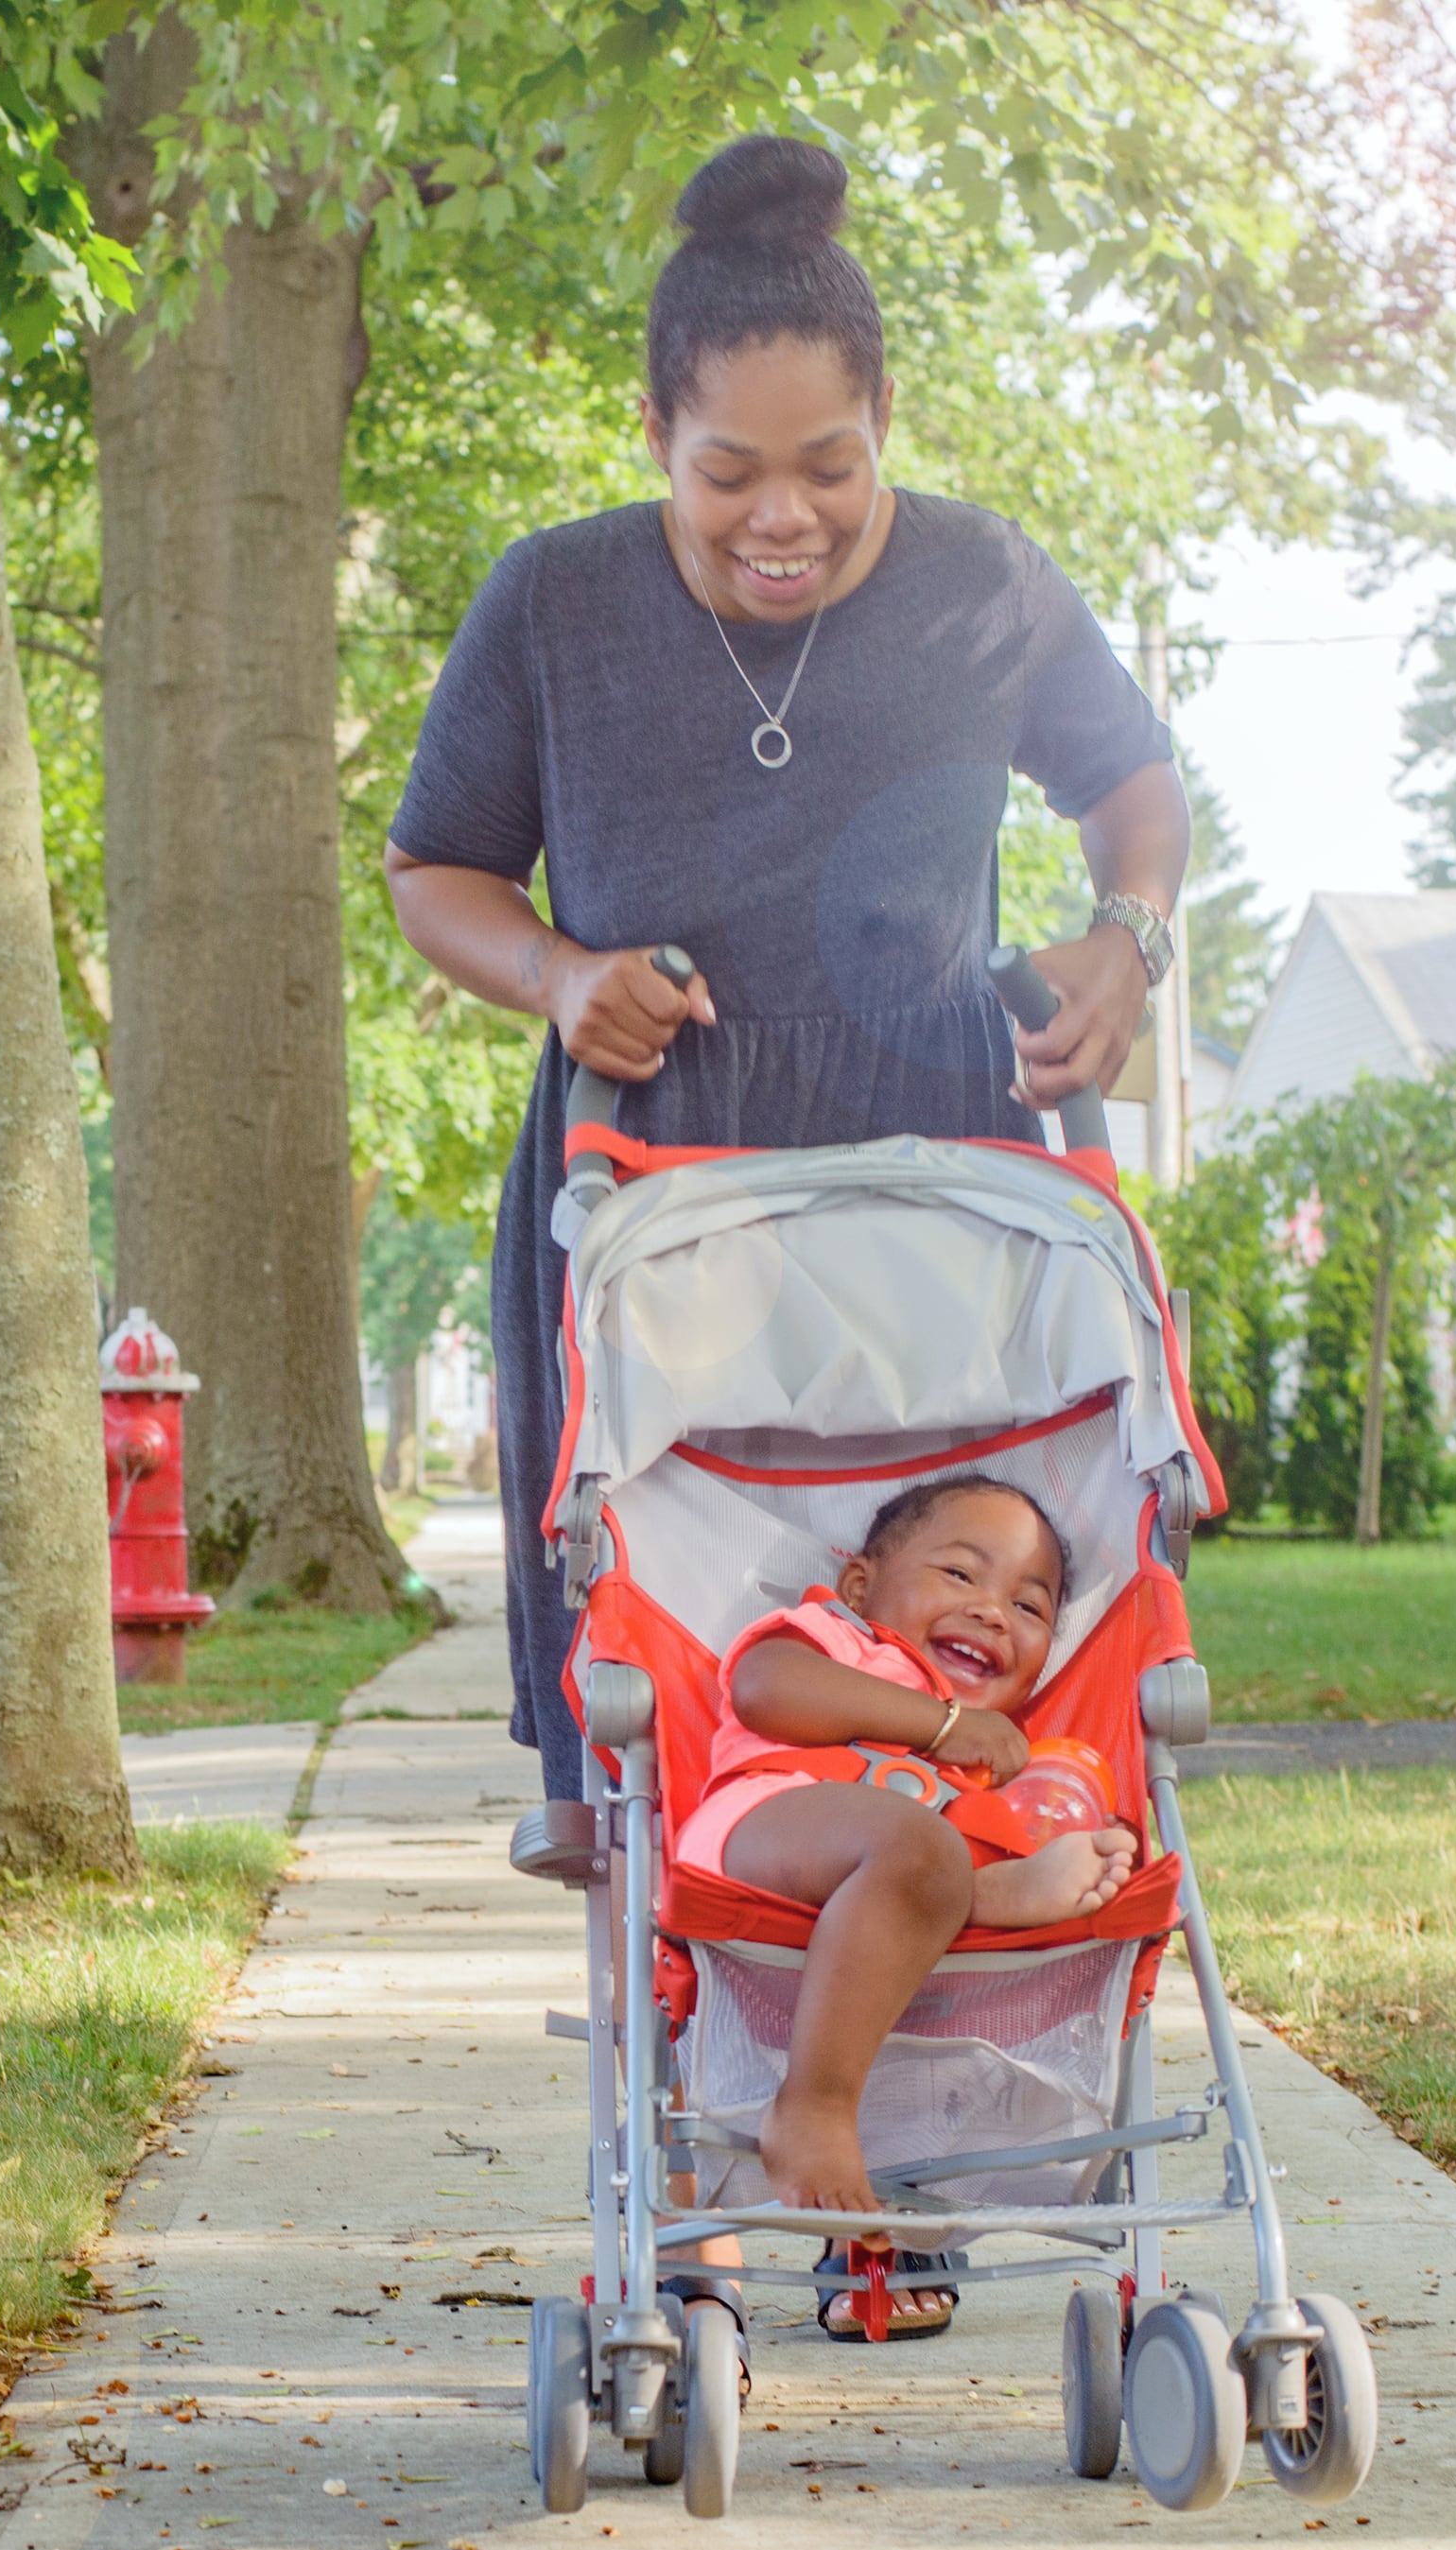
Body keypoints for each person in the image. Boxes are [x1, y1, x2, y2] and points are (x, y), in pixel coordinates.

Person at [380, 130, 1191, 1818]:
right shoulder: (553, 602)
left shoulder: (983, 582)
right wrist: (552, 970)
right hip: (651, 1154)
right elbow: (431, 870)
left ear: (885, 413)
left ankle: (936, 1914)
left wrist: (1133, 935)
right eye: (729, 471)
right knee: (653, 1611)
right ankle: (653, 1926)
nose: (784, 518)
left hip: (931, 1143)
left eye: (831, 464)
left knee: (929, 1560)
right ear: (654, 437)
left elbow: (1134, 786)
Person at [681, 1477, 1135, 2325]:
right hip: (767, 1826)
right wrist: (938, 1724)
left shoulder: (998, 1755)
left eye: (1030, 1606)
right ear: (860, 1586)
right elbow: (762, 1688)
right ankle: (813, 2104)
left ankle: (988, 1887)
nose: (994, 1611)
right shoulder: (838, 1639)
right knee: (923, 1845)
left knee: (938, 1848)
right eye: (962, 1575)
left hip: (893, 1893)